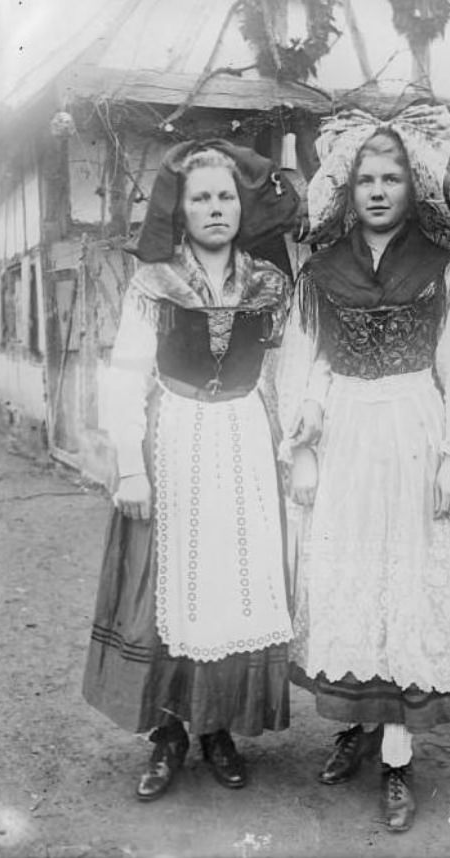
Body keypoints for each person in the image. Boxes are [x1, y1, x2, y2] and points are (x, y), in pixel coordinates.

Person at [277, 107, 450, 833]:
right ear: (345, 187)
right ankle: (358, 727)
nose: (376, 189)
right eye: (365, 177)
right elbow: (304, 362)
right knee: (352, 581)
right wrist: (301, 448)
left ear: (413, 185)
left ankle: (398, 757)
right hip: (343, 436)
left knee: (404, 580)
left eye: (391, 176)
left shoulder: (442, 268)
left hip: (414, 431)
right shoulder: (320, 269)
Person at [83, 140, 299, 802]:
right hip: (173, 438)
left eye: (226, 196)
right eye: (201, 196)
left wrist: (292, 446)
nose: (214, 208)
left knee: (232, 583)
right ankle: (171, 733)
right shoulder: (155, 281)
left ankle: (218, 729)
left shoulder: (269, 284)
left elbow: (284, 369)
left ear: (242, 207)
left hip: (242, 442)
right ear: (181, 208)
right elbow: (125, 372)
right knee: (172, 587)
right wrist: (130, 466)